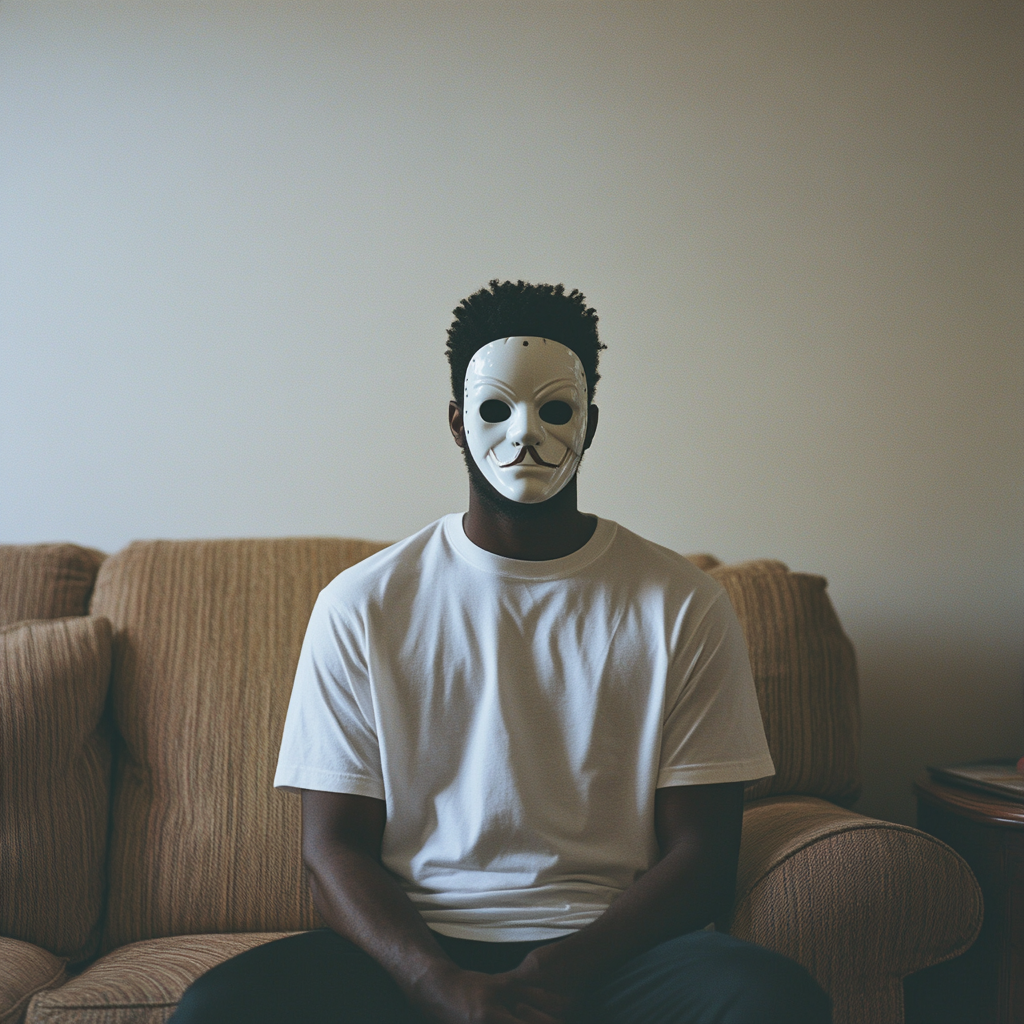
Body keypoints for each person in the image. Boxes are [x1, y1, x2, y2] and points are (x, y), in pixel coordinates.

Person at [172, 280, 831, 1024]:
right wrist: (434, 982)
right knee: (218, 1011)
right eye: (494, 410)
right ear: (457, 423)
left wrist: (557, 974)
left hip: (612, 954)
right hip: (413, 956)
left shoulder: (681, 603)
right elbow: (331, 851)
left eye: (555, 409)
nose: (525, 435)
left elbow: (703, 858)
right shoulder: (361, 605)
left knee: (771, 1000)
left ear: (591, 423)